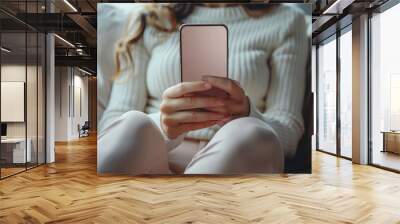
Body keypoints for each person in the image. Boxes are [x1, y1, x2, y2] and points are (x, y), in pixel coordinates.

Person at [98, 3, 309, 174]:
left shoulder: (287, 20)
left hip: (239, 155)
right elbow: (113, 121)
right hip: (155, 152)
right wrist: (163, 125)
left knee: (251, 132)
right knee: (132, 124)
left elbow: (288, 129)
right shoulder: (151, 17)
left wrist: (246, 113)